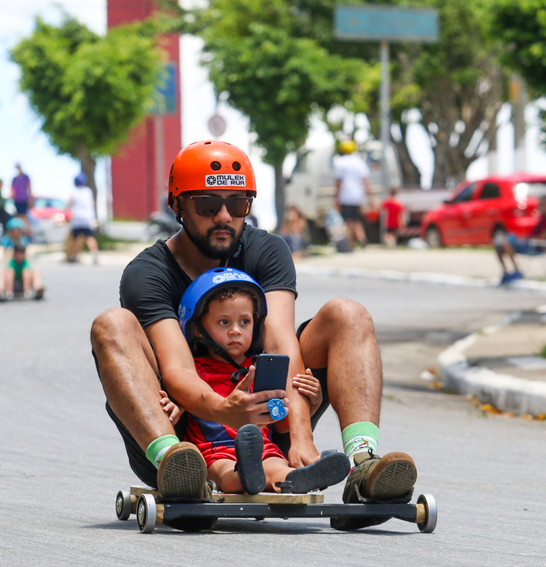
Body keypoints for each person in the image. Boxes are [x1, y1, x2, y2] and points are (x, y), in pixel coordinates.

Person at [91, 140, 418, 531]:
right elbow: (177, 369)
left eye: (238, 204)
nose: (224, 217)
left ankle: (363, 466)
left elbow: (281, 344)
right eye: (209, 206)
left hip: (269, 421)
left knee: (349, 315)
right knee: (111, 324)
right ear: (177, 206)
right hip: (187, 428)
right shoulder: (147, 273)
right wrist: (226, 410)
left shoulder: (267, 249)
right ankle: (176, 467)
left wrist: (299, 434)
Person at [179, 267, 349, 494]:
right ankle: (246, 476)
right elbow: (185, 399)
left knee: (277, 466)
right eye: (223, 322)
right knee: (225, 473)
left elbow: (278, 416)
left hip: (262, 449)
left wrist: (313, 402)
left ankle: (301, 477)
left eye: (244, 322)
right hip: (212, 451)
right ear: (198, 329)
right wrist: (173, 405)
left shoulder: (262, 368)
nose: (235, 331)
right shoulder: (194, 369)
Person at [494, 195, 546, 285]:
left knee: (505, 243)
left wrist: (525, 239)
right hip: (530, 242)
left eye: (542, 204)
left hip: (536, 246)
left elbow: (543, 237)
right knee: (498, 243)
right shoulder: (542, 218)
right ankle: (506, 271)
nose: (539, 206)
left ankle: (516, 271)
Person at [0, 217, 43, 300]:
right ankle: (0, 291)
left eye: (17, 230)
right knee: (0, 273)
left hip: (23, 264)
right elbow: (5, 258)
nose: (15, 232)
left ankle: (38, 289)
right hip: (11, 264)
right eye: (13, 230)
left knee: (35, 271)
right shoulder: (6, 241)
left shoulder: (24, 240)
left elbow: (27, 257)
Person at [334, 140, 371, 249]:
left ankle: (350, 243)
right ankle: (362, 237)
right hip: (358, 196)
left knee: (348, 221)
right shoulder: (359, 162)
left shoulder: (340, 162)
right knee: (357, 219)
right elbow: (365, 181)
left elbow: (339, 183)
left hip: (346, 196)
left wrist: (336, 198)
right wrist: (370, 197)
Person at [66, 172, 99, 264]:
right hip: (88, 217)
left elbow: (69, 203)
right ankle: (95, 254)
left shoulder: (74, 191)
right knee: (89, 237)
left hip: (77, 217)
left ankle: (73, 256)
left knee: (75, 238)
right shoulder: (88, 191)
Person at [11, 163, 32, 234]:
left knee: (24, 216)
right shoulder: (14, 178)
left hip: (24, 199)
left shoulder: (26, 177)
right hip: (17, 200)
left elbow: (29, 188)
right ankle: (20, 233)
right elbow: (12, 189)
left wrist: (30, 199)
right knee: (18, 216)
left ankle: (28, 233)